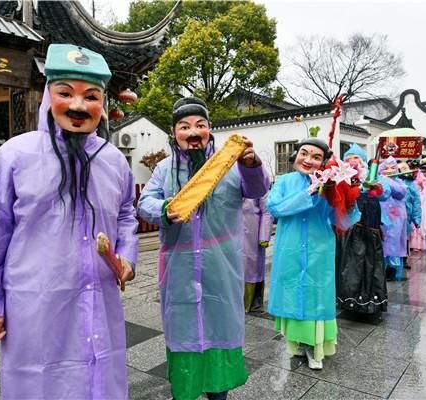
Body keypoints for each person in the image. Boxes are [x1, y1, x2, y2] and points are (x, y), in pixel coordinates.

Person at [0, 44, 138, 399]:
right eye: (65, 93)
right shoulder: (17, 154)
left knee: (97, 380)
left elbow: (125, 214)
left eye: (91, 96)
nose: (77, 106)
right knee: (39, 384)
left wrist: (127, 258)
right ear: (48, 96)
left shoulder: (113, 160)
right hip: (34, 306)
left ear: (102, 104)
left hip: (99, 300)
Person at [137, 96, 269, 400]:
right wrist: (165, 209)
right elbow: (145, 204)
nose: (192, 131)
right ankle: (183, 392)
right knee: (183, 332)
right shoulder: (164, 168)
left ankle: (218, 395)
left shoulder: (231, 165)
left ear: (210, 130)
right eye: (184, 126)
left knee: (219, 329)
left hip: (221, 266)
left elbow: (258, 190)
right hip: (178, 266)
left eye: (200, 125)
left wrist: (252, 164)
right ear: (174, 133)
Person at [267, 137, 360, 370]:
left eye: (316, 157)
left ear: (323, 162)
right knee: (291, 292)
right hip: (289, 248)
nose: (308, 160)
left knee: (316, 296)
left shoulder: (331, 185)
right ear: (295, 155)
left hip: (319, 249)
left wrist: (346, 198)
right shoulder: (284, 181)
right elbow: (275, 208)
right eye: (304, 153)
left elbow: (342, 220)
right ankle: (296, 342)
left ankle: (315, 347)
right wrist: (310, 192)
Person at [336, 144, 390, 314]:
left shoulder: (372, 176)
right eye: (348, 158)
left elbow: (386, 192)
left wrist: (376, 187)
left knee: (370, 261)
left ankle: (370, 300)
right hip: (350, 228)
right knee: (349, 262)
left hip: (370, 227)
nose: (352, 161)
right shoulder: (342, 177)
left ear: (364, 161)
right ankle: (348, 299)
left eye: (356, 158)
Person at [378, 157, 408, 281]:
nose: (389, 170)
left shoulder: (400, 182)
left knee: (395, 241)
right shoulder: (376, 180)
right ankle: (382, 270)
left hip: (397, 217)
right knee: (383, 240)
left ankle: (394, 269)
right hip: (381, 214)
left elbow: (401, 193)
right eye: (386, 168)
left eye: (392, 168)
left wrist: (388, 181)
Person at [242, 194, 273, 313]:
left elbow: (267, 211)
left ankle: (251, 303)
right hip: (232, 232)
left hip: (253, 233)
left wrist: (264, 235)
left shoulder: (258, 180)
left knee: (252, 266)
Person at [398, 160, 422, 266]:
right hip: (393, 215)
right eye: (400, 169)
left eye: (405, 168)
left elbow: (416, 202)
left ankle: (404, 259)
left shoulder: (412, 184)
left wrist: (417, 218)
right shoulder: (392, 181)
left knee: (404, 237)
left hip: (406, 215)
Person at [410, 162, 426, 250]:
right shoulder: (407, 177)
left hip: (420, 204)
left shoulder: (422, 178)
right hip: (410, 203)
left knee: (418, 223)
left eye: (416, 167)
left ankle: (417, 245)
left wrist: (421, 185)